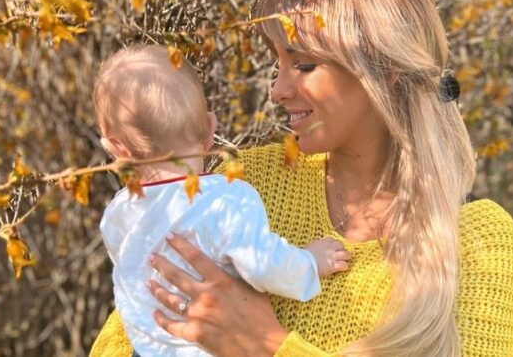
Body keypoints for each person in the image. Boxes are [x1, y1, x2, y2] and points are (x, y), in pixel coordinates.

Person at [90, 0, 513, 357]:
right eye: (277, 64)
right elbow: (125, 332)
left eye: (303, 65)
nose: (277, 90)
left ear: (385, 71)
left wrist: (265, 345)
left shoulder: (478, 243)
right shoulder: (244, 181)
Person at [92, 45, 351, 357]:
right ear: (210, 130)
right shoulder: (224, 199)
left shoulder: (118, 213)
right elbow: (262, 265)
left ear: (115, 149)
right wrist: (310, 263)